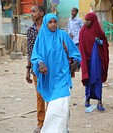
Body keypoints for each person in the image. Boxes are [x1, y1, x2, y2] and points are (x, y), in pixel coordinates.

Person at [31, 13, 81, 133]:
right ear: (46, 23)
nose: (53, 24)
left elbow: (75, 53)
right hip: (48, 78)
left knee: (61, 106)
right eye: (50, 22)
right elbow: (35, 56)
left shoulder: (62, 35)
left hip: (62, 76)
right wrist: (40, 63)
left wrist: (75, 62)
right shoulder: (41, 37)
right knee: (54, 108)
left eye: (55, 22)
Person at [79, 12, 109, 111]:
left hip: (97, 60)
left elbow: (105, 43)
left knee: (98, 80)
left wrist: (101, 43)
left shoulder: (98, 31)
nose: (86, 22)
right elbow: (81, 46)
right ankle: (87, 99)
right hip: (87, 59)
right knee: (88, 79)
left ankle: (100, 100)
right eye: (85, 20)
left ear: (93, 21)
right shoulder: (83, 30)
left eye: (88, 20)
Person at [26, 5, 45, 133]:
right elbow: (29, 51)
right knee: (40, 97)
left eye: (34, 11)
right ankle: (40, 123)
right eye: (31, 11)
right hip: (36, 70)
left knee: (51, 96)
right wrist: (28, 69)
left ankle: (52, 122)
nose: (31, 13)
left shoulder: (49, 28)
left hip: (50, 68)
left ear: (42, 13)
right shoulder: (30, 30)